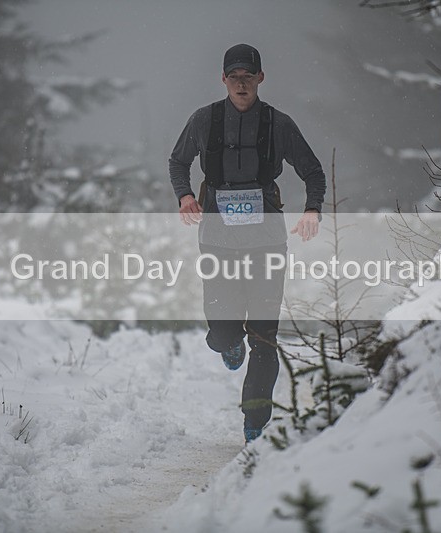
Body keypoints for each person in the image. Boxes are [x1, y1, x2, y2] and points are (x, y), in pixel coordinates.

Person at [168, 43, 326, 442]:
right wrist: (186, 196)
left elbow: (312, 170)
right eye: (234, 77)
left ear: (260, 78)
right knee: (222, 329)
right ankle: (226, 341)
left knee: (264, 336)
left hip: (267, 239)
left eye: (248, 76)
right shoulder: (204, 120)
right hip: (218, 238)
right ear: (223, 79)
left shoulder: (279, 124)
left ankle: (255, 424)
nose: (241, 84)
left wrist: (312, 210)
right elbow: (177, 161)